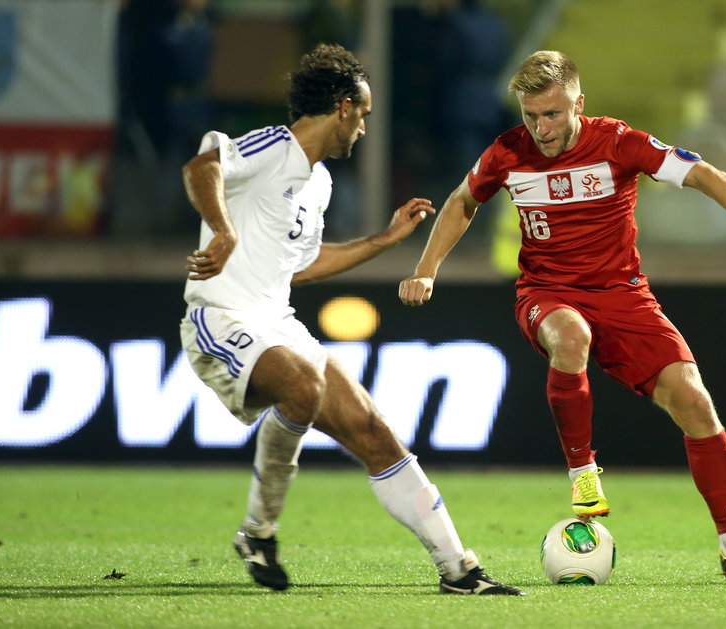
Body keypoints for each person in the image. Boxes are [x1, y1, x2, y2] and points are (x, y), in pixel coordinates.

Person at [399, 50, 726, 585]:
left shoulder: (618, 143)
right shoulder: (507, 153)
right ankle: (584, 473)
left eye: (552, 114)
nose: (540, 128)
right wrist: (427, 269)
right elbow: (461, 201)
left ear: (578, 104)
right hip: (547, 291)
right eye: (530, 115)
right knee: (571, 336)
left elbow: (700, 172)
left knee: (696, 403)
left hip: (625, 296)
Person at [179, 43, 523, 596]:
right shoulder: (276, 146)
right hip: (219, 316)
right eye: (362, 114)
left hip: (277, 321)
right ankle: (260, 530)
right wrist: (223, 230)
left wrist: (385, 240)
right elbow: (202, 166)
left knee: (374, 431)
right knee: (301, 384)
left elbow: (307, 265)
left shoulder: (319, 183)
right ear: (342, 106)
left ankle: (459, 569)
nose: (363, 127)